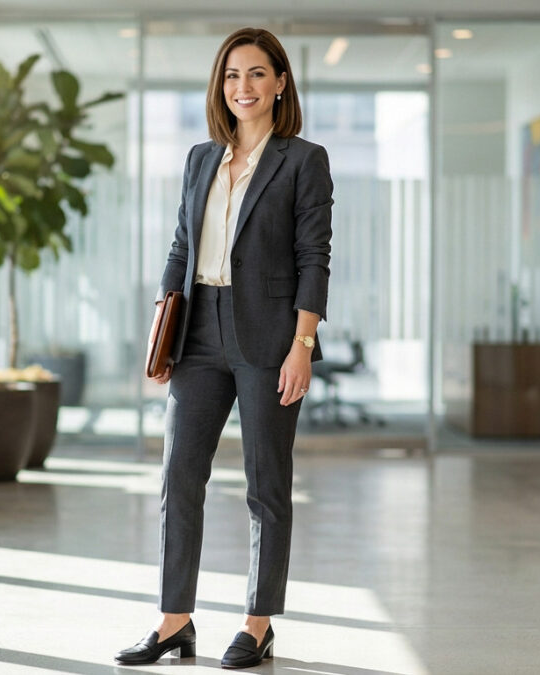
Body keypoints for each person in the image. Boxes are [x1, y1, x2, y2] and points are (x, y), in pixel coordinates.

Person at [114, 27, 333, 670]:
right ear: (221, 86)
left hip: (270, 336)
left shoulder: (303, 159)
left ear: (280, 83)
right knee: (179, 475)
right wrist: (162, 333)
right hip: (199, 334)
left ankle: (258, 622)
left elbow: (313, 259)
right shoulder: (200, 159)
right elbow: (181, 249)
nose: (244, 87)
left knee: (267, 484)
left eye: (258, 74)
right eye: (233, 75)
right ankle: (174, 619)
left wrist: (303, 343)